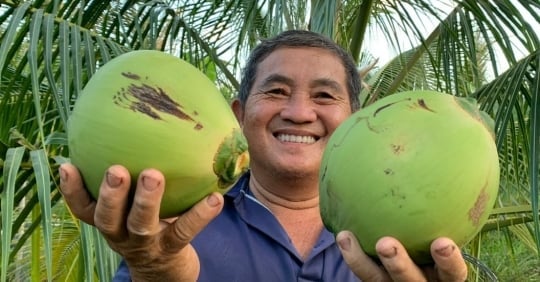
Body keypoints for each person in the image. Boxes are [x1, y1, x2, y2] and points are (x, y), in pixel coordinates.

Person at [59, 30, 468, 281]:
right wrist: (154, 274)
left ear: (356, 122)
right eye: (275, 91)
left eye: (324, 96)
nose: (298, 112)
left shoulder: (399, 241)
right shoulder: (170, 227)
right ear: (237, 115)